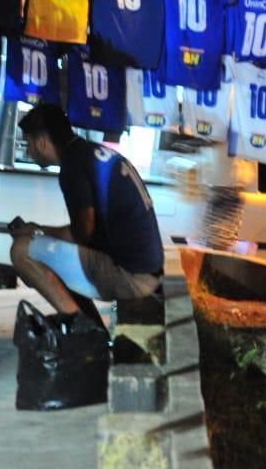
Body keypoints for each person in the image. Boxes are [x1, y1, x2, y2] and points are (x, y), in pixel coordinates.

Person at [9, 104, 164, 327]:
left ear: (42, 142)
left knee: (22, 250)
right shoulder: (91, 154)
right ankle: (91, 328)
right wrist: (39, 231)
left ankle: (84, 332)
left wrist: (36, 231)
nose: (28, 151)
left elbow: (82, 233)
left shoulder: (73, 166)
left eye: (29, 143)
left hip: (131, 277)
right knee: (47, 254)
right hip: (147, 270)